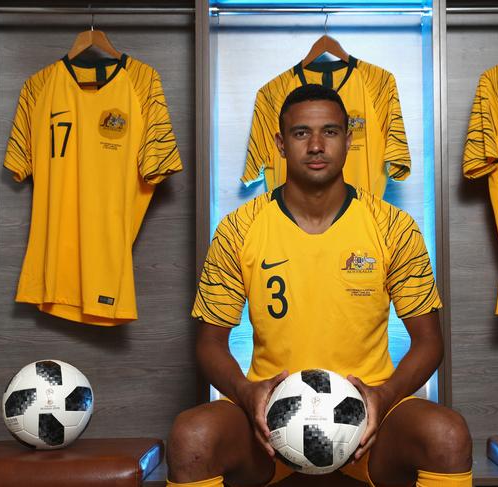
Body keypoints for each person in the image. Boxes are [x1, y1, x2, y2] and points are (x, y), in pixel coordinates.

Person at [167, 84, 472, 487]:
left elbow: (429, 341)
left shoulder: (392, 226)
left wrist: (384, 395)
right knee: (191, 436)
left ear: (348, 141)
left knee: (447, 435)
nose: (315, 145)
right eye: (300, 133)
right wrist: (246, 392)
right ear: (279, 143)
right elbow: (209, 344)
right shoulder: (239, 228)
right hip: (268, 419)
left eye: (329, 132)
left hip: (368, 418)